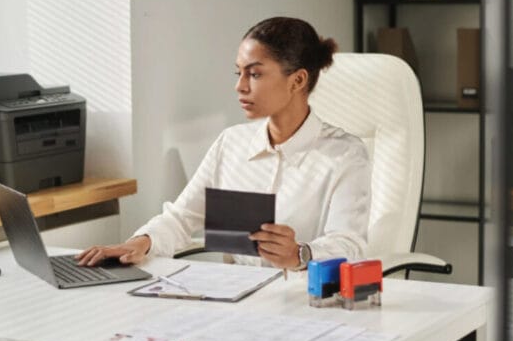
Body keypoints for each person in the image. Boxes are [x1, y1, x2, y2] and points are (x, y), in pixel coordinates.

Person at [77, 17, 371, 270]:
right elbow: (182, 217)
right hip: (235, 298)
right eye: (238, 73)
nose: (240, 86)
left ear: (297, 80)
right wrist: (139, 242)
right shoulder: (231, 144)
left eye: (254, 74)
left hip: (303, 298)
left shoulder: (343, 155)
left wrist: (300, 254)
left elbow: (350, 245)